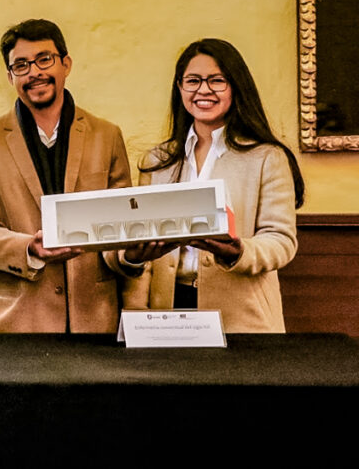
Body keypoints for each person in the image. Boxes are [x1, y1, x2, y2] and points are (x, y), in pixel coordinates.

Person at [119, 39, 304, 332]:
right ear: (179, 88)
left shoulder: (268, 157)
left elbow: (281, 241)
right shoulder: (157, 161)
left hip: (242, 319)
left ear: (236, 86)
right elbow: (143, 255)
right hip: (165, 315)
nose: (203, 90)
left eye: (217, 81)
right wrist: (136, 313)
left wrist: (238, 251)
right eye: (193, 81)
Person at [0, 19, 132, 333]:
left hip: (92, 320)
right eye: (21, 65)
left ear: (66, 64)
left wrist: (132, 254)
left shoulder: (107, 135)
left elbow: (122, 223)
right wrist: (28, 249)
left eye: (44, 59)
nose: (34, 72)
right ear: (10, 76)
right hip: (13, 322)